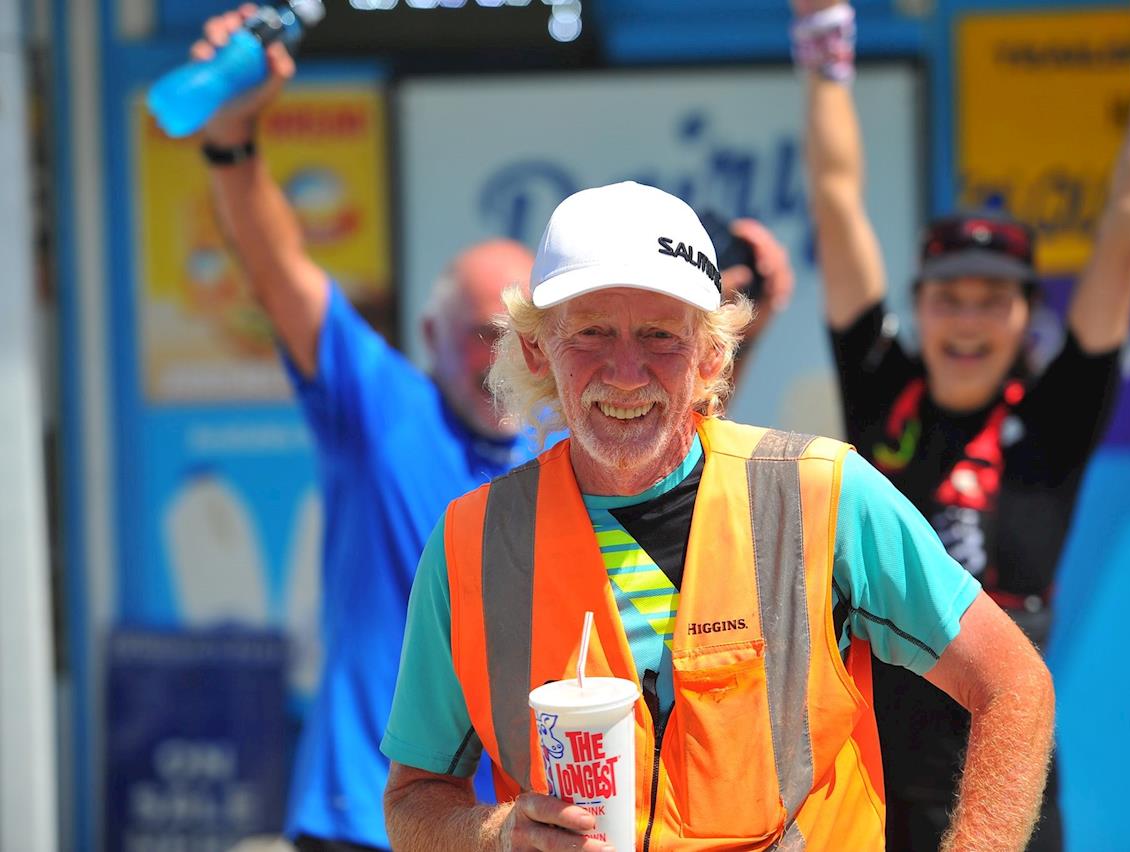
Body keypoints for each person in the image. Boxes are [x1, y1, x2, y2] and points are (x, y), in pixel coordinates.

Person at [190, 10, 794, 850]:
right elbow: (275, 268)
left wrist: (747, 324)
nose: (499, 357)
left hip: (509, 826)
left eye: (518, 335)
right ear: (427, 335)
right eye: (479, 333)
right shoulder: (382, 414)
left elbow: (681, 444)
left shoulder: (571, 449)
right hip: (364, 817)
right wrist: (231, 142)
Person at [380, 180, 1054, 851]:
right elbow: (414, 799)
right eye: (591, 333)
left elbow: (1014, 683)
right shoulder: (472, 542)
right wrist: (499, 835)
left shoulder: (822, 495)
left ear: (710, 353)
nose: (625, 372)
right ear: (537, 350)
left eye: (659, 335)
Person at [790, 0, 1130, 847]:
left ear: (1025, 319)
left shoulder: (1054, 419)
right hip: (872, 790)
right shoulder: (882, 390)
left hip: (1009, 794)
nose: (969, 320)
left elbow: (1127, 232)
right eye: (949, 297)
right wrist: (823, 36)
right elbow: (836, 202)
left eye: (994, 300)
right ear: (918, 307)